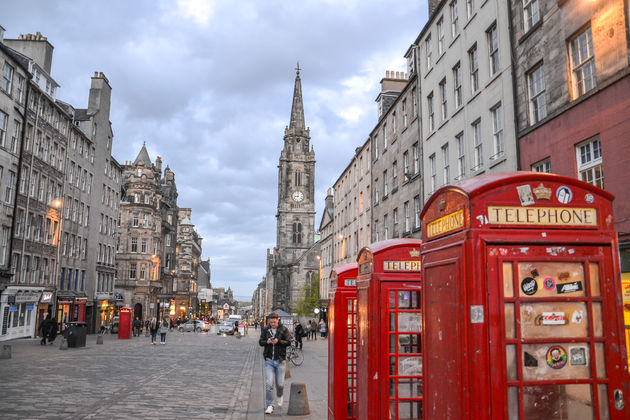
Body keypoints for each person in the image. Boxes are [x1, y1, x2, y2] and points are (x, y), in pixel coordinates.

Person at [259, 312, 290, 415]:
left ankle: (280, 396)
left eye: (274, 322)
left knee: (280, 384)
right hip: (269, 361)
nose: (272, 324)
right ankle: (269, 405)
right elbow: (260, 342)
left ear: (277, 320)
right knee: (269, 384)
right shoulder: (265, 329)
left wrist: (278, 341)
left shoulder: (283, 329)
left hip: (280, 361)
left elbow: (289, 342)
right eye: (271, 322)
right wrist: (266, 342)